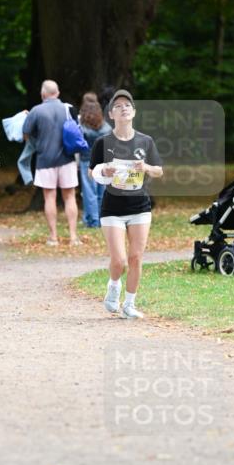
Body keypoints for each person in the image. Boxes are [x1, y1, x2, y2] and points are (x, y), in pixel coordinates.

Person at [89, 89, 163, 320]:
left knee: (136, 257)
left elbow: (159, 170)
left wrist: (146, 168)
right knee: (119, 260)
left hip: (140, 206)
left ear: (134, 112)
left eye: (127, 105)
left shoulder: (145, 141)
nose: (124, 108)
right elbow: (92, 172)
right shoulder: (103, 142)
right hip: (112, 208)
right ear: (111, 114)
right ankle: (113, 286)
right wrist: (105, 171)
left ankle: (129, 305)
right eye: (118, 106)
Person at [22, 79, 80, 246]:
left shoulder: (36, 111)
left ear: (43, 94)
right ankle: (73, 237)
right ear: (58, 93)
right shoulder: (68, 109)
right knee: (70, 197)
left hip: (45, 159)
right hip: (67, 159)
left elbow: (25, 134)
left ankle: (53, 237)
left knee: (49, 197)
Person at [78, 93, 112, 227]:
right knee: (102, 191)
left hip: (87, 161)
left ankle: (93, 220)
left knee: (89, 192)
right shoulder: (106, 127)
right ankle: (102, 219)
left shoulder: (81, 127)